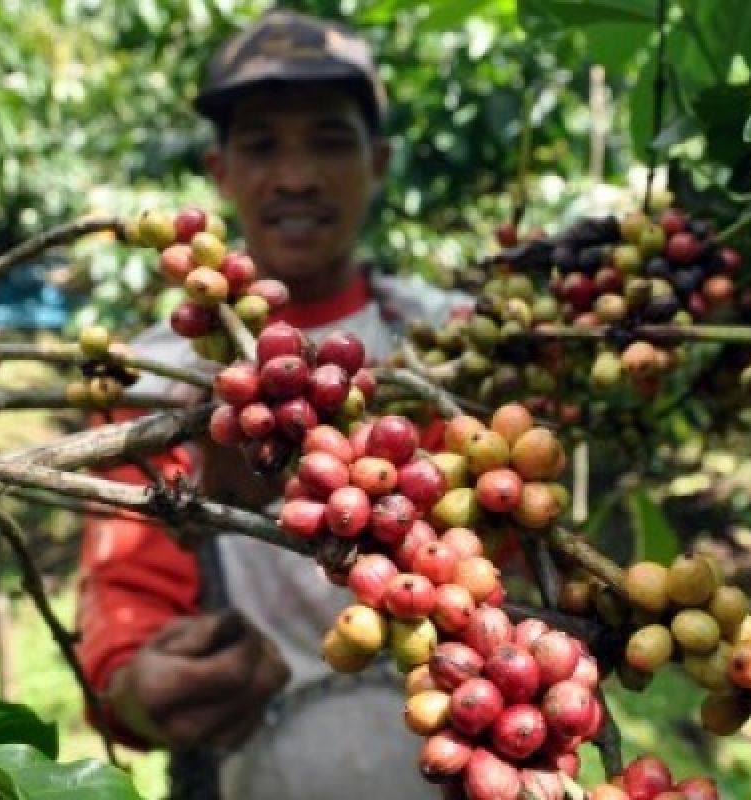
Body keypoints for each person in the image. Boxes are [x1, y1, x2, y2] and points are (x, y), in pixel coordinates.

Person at [76, 11, 464, 799]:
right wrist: (141, 686)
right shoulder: (151, 376)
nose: (295, 176)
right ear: (219, 172)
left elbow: (508, 566)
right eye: (261, 145)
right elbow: (127, 609)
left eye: (328, 139)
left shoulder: (448, 348)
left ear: (378, 161)